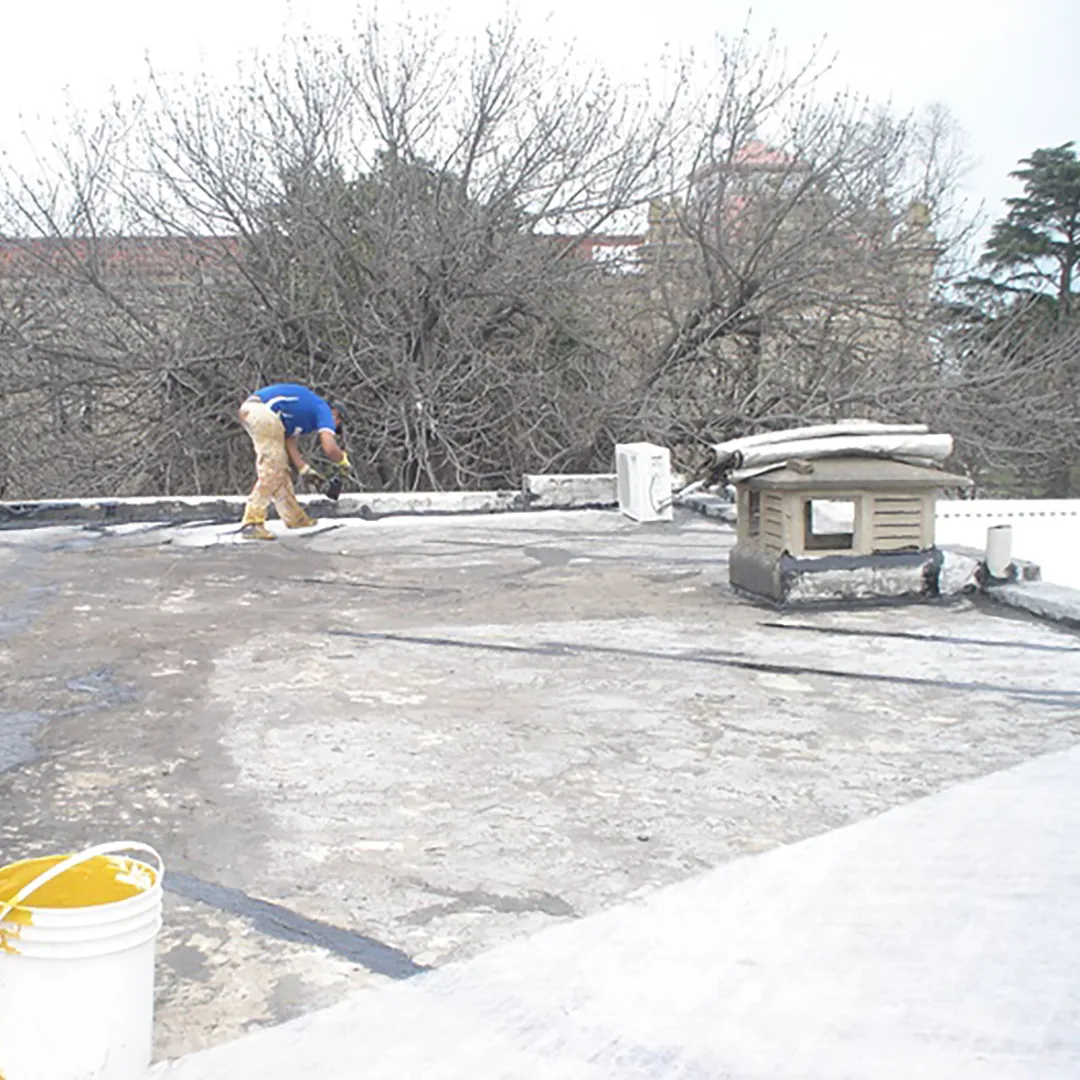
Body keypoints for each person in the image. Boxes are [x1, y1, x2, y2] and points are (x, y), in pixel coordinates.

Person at [237, 383, 350, 541]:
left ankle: (295, 518)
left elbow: (289, 442)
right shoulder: (324, 409)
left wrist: (304, 469)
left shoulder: (302, 414)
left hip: (255, 411)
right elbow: (329, 447)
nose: (334, 428)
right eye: (337, 425)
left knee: (280, 468)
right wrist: (342, 461)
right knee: (273, 469)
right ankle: (252, 523)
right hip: (261, 411)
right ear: (336, 414)